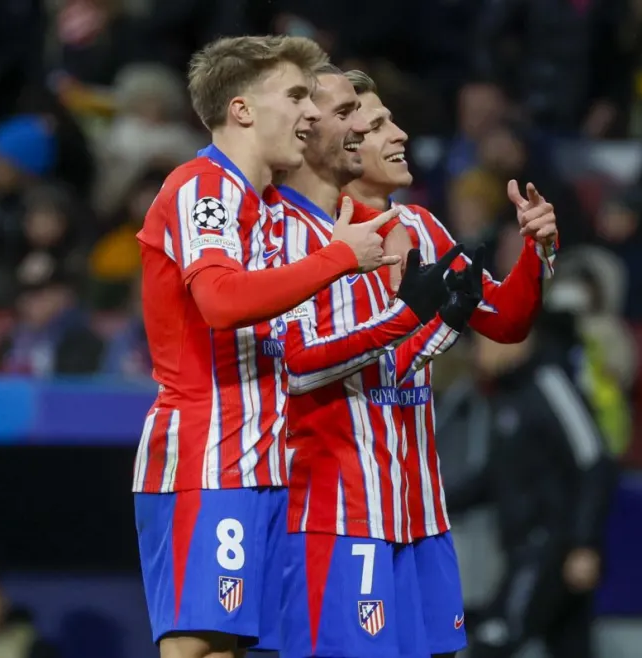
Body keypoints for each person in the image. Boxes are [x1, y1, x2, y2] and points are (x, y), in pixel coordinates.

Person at [132, 35, 404, 658]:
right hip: (206, 455)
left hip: (263, 463)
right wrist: (339, 259)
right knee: (196, 646)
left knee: (231, 647)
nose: (310, 112)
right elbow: (221, 302)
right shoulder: (204, 188)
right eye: (296, 96)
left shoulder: (268, 209)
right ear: (242, 110)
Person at [340, 69, 559, 658]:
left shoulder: (422, 227)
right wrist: (437, 327)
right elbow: (332, 362)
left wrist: (535, 251)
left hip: (421, 501)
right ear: (339, 141)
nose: (402, 133)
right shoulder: (310, 238)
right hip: (344, 503)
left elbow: (504, 321)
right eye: (379, 124)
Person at [276, 64, 473, 658]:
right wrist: (413, 318)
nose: (383, 134)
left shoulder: (405, 229)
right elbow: (301, 363)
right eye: (352, 117)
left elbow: (387, 359)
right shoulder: (285, 229)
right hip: (332, 503)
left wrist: (444, 322)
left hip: (412, 504)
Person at [445, 318, 616, 658]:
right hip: (526, 549)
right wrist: (431, 504)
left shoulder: (549, 383)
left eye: (481, 342)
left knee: (496, 639)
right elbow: (495, 478)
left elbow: (595, 461)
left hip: (549, 550)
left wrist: (585, 543)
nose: (475, 353)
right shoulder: (510, 395)